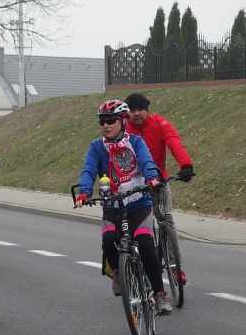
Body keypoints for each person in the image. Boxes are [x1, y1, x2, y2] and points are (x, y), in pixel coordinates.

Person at [74, 100, 171, 314]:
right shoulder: (96, 147)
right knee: (108, 240)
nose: (106, 125)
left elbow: (146, 162)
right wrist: (84, 192)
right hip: (113, 204)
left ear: (123, 122)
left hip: (139, 201)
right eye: (102, 121)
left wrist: (152, 178)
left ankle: (160, 294)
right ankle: (118, 270)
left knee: (145, 243)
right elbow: (89, 171)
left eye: (111, 121)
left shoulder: (135, 142)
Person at [125, 93, 194, 284]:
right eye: (132, 110)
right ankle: (133, 265)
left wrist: (186, 166)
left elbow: (174, 142)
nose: (136, 114)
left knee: (167, 220)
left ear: (147, 110)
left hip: (159, 182)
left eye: (140, 110)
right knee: (137, 227)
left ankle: (175, 267)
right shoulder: (124, 129)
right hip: (135, 186)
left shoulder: (159, 124)